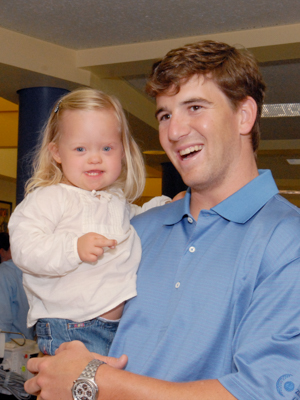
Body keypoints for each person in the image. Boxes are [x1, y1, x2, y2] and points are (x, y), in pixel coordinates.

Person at [24, 40, 300, 400]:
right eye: (165, 115)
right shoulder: (139, 226)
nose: (174, 131)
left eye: (195, 107)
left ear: (244, 115)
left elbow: (263, 391)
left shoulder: (286, 238)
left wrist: (90, 381)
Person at [8, 88, 170, 356]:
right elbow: (25, 247)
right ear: (57, 152)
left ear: (122, 151)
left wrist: (165, 207)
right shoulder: (51, 197)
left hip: (118, 326)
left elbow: (137, 221)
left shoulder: (114, 200)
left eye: (106, 148)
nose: (95, 158)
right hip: (72, 327)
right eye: (80, 148)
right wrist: (73, 248)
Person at [0, 232, 34, 341]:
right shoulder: (28, 270)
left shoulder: (4, 273)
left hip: (9, 346)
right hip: (27, 342)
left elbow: (2, 320)